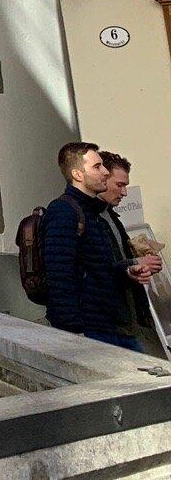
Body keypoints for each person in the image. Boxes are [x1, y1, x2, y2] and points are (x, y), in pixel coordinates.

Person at [41, 141, 158, 351]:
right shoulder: (64, 212)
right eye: (97, 167)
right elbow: (59, 276)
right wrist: (74, 334)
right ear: (77, 174)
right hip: (92, 331)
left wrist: (128, 269)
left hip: (115, 325)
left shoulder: (97, 213)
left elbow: (100, 267)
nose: (105, 172)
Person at [99, 151, 166, 356]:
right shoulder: (86, 218)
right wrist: (134, 263)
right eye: (120, 185)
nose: (125, 192)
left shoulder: (110, 215)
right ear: (102, 179)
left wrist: (138, 263)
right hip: (110, 323)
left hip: (129, 317)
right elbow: (98, 268)